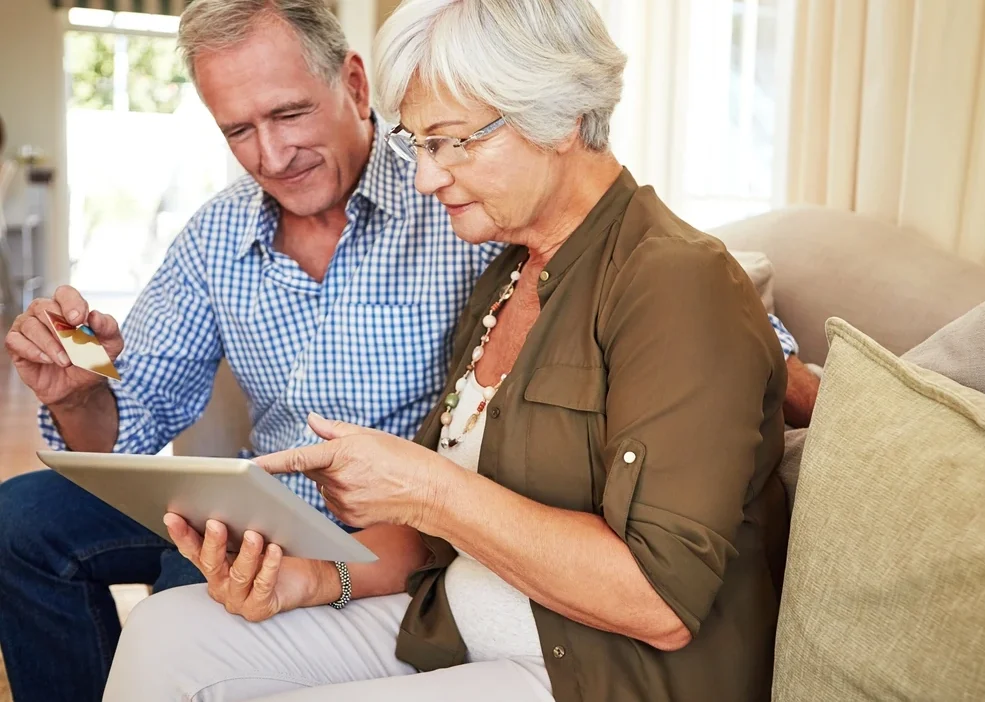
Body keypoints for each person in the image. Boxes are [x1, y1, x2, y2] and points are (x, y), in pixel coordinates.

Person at [0, 1, 812, 701]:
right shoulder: (496, 264)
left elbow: (732, 349)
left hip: (501, 601)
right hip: (361, 546)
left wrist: (847, 404)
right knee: (116, 585)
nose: (270, 155)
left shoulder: (493, 228)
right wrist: (78, 386)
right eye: (238, 130)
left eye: (289, 115)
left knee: (195, 600)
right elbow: (127, 422)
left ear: (353, 86)